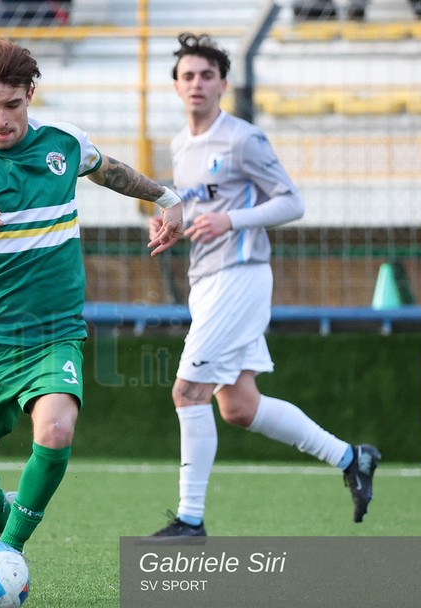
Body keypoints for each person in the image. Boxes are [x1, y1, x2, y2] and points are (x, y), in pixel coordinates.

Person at [0, 38, 183, 557]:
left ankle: (9, 552)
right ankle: (2, 528)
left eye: (11, 105)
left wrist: (166, 198)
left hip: (52, 331)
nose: (0, 120)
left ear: (30, 94)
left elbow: (107, 170)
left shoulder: (62, 143)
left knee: (56, 430)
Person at [146, 33, 380, 540]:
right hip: (205, 280)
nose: (197, 84)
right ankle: (351, 458)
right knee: (239, 406)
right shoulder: (179, 144)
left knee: (188, 391)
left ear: (223, 84)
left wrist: (231, 220)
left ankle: (190, 520)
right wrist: (170, 223)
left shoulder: (243, 138)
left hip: (241, 276)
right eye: (188, 76)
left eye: (207, 75)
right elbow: (196, 209)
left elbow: (292, 202)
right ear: (176, 86)